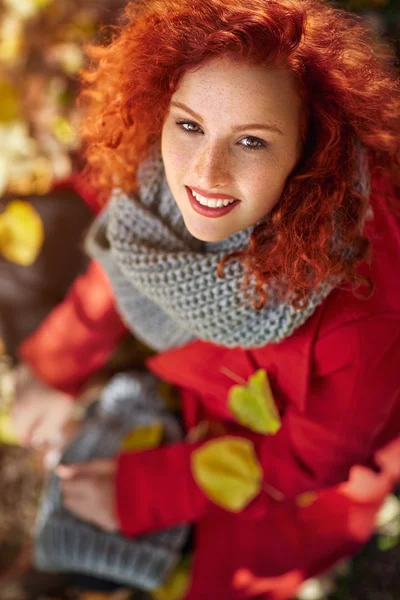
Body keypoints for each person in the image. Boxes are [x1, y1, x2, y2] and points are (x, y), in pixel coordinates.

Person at [11, 0, 400, 598]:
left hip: (277, 477)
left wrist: (142, 491)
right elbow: (127, 269)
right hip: (193, 376)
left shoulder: (356, 313)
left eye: (250, 142)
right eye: (189, 125)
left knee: (122, 568)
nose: (205, 174)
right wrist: (56, 365)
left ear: (309, 148)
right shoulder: (157, 191)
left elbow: (310, 460)